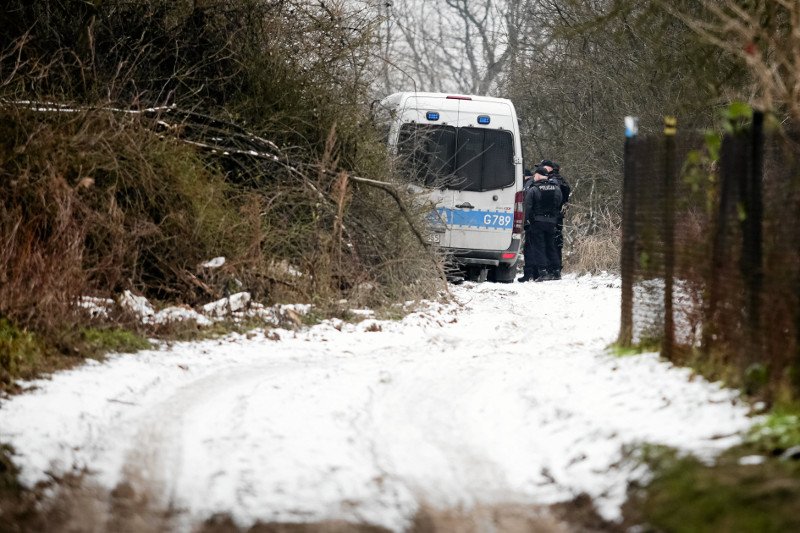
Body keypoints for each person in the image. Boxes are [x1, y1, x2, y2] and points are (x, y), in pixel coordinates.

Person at [521, 164, 562, 281]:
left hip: (537, 221)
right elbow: (558, 203)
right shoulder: (556, 188)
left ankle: (542, 271)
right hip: (552, 222)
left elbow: (528, 207)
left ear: (538, 176)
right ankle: (556, 271)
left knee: (539, 246)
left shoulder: (534, 189)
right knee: (551, 246)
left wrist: (526, 221)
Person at [549, 162, 571, 279]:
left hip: (551, 216)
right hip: (559, 217)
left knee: (550, 242)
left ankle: (552, 269)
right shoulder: (563, 182)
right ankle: (557, 268)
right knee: (558, 242)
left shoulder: (552, 182)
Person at [517, 168, 536, 282]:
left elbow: (527, 205)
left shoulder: (528, 185)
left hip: (530, 221)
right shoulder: (532, 184)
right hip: (535, 220)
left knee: (529, 248)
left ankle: (529, 273)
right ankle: (533, 273)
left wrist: (526, 221)